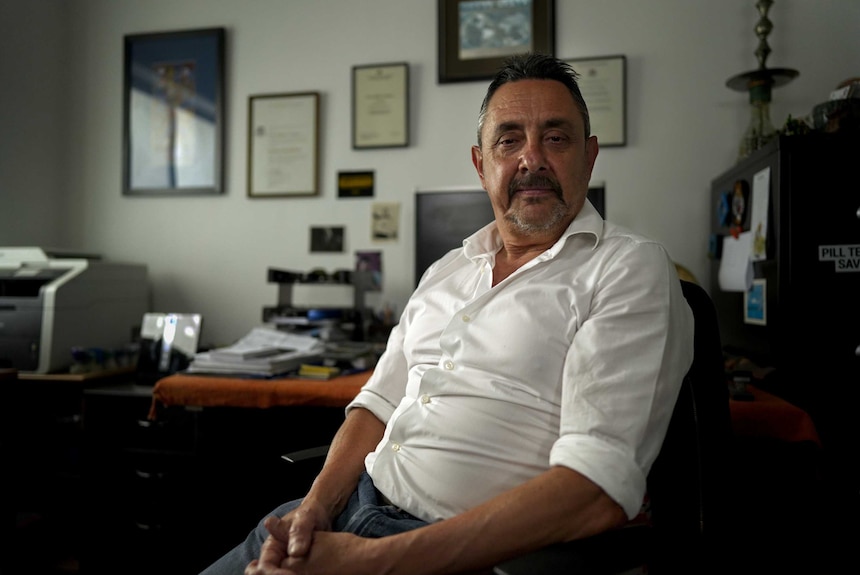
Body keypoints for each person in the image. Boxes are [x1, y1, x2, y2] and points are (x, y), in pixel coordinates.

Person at [200, 52, 694, 575]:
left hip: (450, 555)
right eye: (509, 140)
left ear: (589, 157)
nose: (532, 159)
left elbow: (595, 489)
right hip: (344, 516)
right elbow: (377, 404)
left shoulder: (628, 267)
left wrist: (369, 562)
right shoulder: (445, 271)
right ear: (482, 165)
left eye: (556, 137)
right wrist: (314, 510)